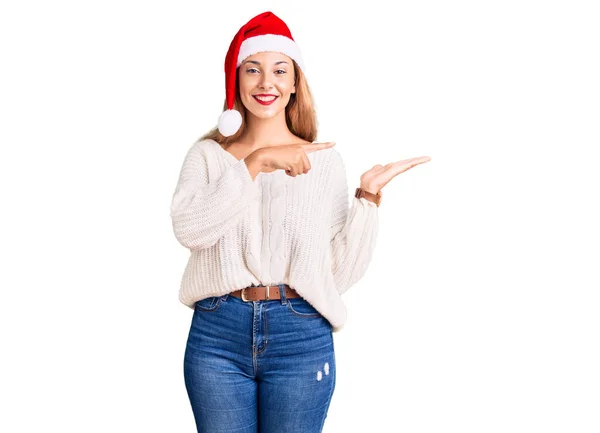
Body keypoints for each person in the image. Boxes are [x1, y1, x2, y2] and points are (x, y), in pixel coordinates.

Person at [169, 11, 431, 433]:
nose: (265, 82)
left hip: (300, 334)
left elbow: (335, 275)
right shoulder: (207, 157)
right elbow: (190, 230)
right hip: (218, 333)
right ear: (236, 82)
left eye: (279, 70)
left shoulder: (324, 162)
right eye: (252, 70)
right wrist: (254, 164)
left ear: (294, 84)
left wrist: (368, 199)